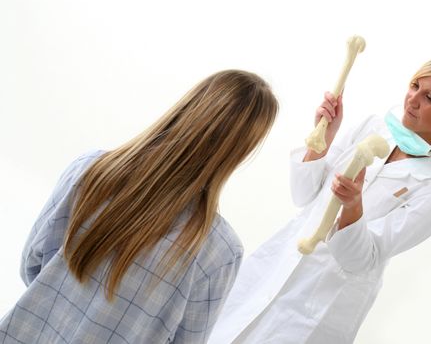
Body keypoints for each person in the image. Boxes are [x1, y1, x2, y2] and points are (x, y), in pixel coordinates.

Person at [208, 55, 431, 343]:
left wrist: (353, 206)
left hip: (321, 303)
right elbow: (302, 195)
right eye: (414, 85)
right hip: (276, 267)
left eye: (429, 97)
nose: (412, 100)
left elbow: (362, 259)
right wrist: (323, 139)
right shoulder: (372, 127)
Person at [0, 70, 278, 343]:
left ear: (187, 107)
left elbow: (32, 264)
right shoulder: (220, 250)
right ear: (240, 151)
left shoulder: (90, 169)